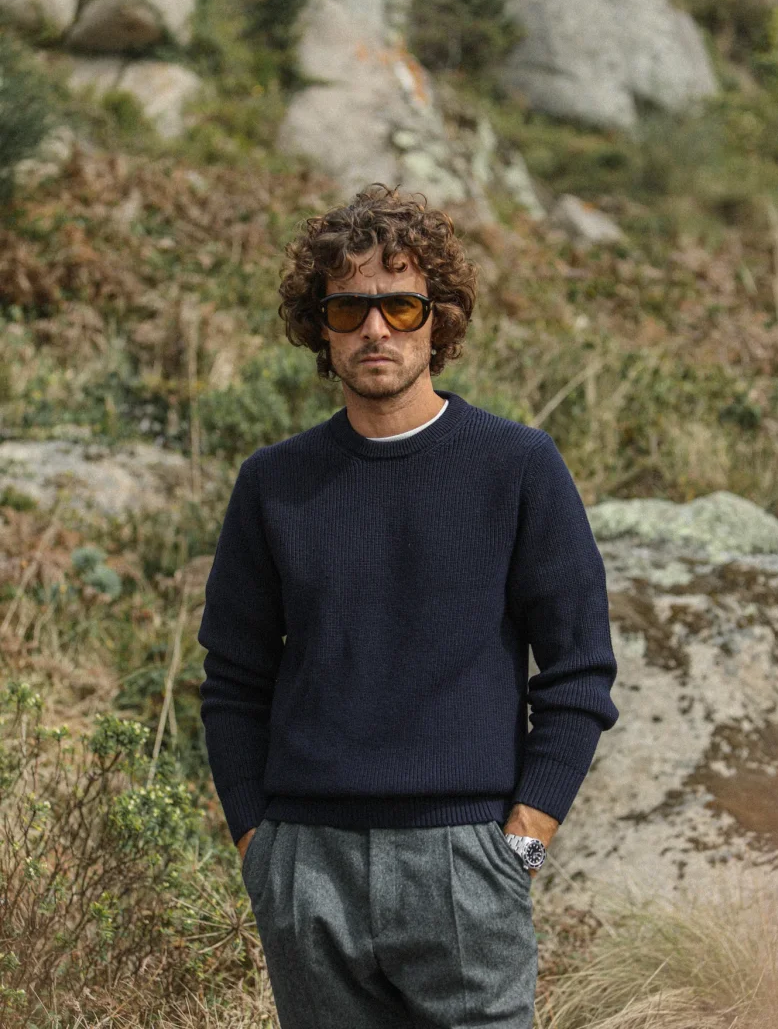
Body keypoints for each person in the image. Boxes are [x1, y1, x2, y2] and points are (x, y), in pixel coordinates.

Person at [197, 184, 619, 1029]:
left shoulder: (518, 466)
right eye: (347, 308)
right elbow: (233, 681)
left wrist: (522, 837)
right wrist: (257, 844)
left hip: (463, 859)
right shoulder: (274, 483)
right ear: (321, 326)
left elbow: (578, 671)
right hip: (306, 862)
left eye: (399, 305)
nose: (375, 329)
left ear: (439, 318)